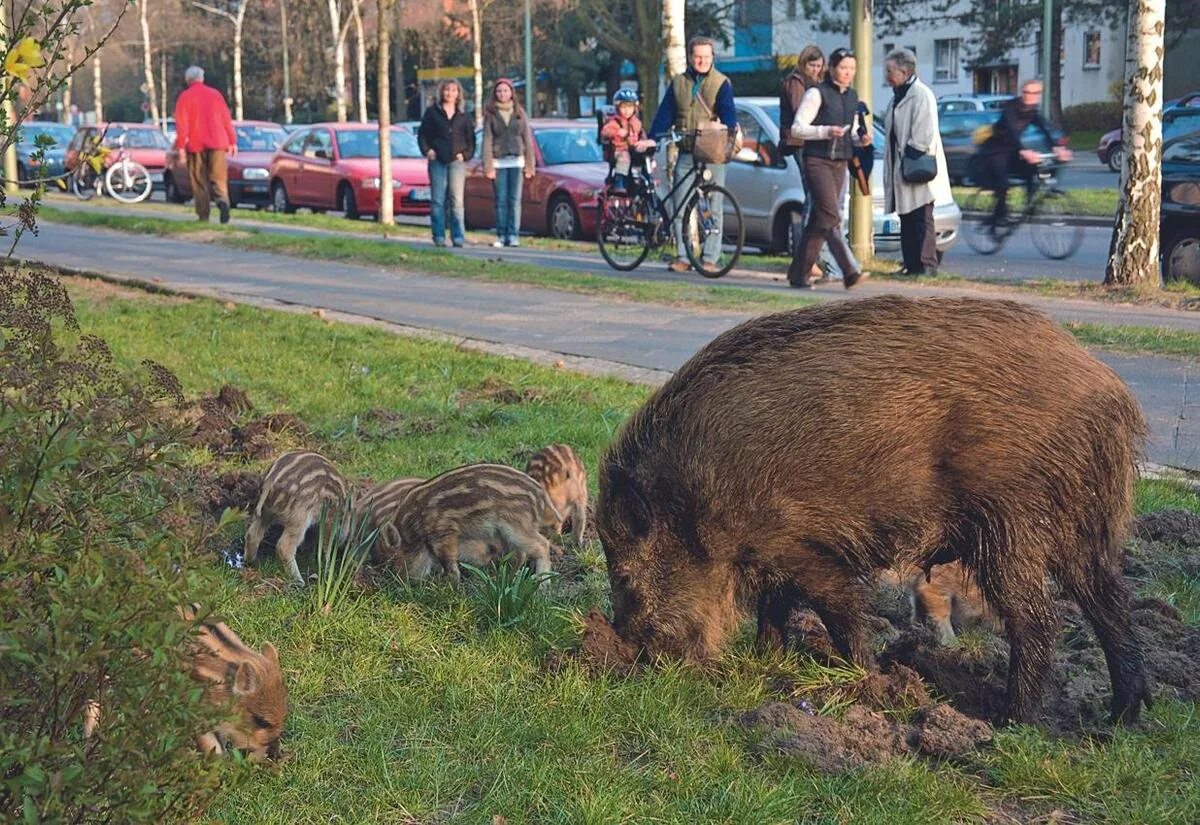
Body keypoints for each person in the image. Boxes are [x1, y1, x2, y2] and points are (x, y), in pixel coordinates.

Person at [646, 36, 737, 274]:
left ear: (713, 57)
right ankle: (683, 256)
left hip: (712, 152)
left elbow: (730, 118)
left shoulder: (721, 83)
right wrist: (652, 137)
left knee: (713, 205)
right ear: (690, 57)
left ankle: (710, 257)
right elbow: (665, 114)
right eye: (698, 57)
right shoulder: (679, 83)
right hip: (686, 151)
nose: (702, 61)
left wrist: (724, 127)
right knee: (680, 205)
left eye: (707, 57)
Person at [788, 47, 871, 289]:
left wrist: (861, 139)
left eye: (852, 69)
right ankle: (849, 270)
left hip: (840, 162)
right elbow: (797, 128)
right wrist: (825, 131)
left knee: (819, 220)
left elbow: (852, 131)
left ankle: (798, 274)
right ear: (832, 69)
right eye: (843, 68)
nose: (848, 73)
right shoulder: (816, 93)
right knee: (832, 216)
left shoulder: (853, 96)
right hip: (817, 161)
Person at [882, 48, 952, 277]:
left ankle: (927, 265)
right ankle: (911, 264)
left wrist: (910, 157)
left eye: (890, 70)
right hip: (903, 166)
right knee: (907, 217)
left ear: (904, 71)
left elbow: (924, 132)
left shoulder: (921, 94)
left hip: (917, 166)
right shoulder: (898, 95)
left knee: (922, 216)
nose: (886, 75)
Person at [978, 78, 1072, 229]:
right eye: (1028, 92)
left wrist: (1056, 148)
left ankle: (1028, 207)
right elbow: (1010, 131)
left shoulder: (1032, 112)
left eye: (1036, 93)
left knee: (1032, 171)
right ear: (1022, 93)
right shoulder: (1011, 107)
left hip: (1012, 151)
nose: (1032, 96)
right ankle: (998, 216)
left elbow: (1044, 129)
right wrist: (1024, 150)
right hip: (995, 150)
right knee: (1003, 184)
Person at [779, 44, 826, 283]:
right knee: (812, 197)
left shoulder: (816, 84)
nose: (816, 70)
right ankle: (806, 257)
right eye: (812, 65)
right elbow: (801, 116)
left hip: (813, 144)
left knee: (816, 198)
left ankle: (811, 257)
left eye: (819, 66)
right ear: (803, 64)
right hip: (801, 144)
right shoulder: (796, 83)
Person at [173, 65, 236, 224]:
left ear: (188, 80)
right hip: (218, 143)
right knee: (218, 177)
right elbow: (226, 119)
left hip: (196, 144)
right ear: (202, 78)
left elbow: (182, 124)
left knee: (199, 180)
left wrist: (180, 146)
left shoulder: (185, 97)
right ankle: (222, 200)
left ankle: (203, 216)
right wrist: (232, 141)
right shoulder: (216, 95)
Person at [418, 79, 475, 248]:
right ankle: (439, 236)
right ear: (441, 92)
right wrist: (427, 150)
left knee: (456, 200)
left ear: (459, 94)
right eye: (447, 90)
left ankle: (458, 237)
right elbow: (422, 136)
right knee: (437, 200)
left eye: (454, 90)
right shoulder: (432, 113)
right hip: (437, 161)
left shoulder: (464, 116)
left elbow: (471, 140)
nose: (450, 93)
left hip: (456, 162)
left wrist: (465, 155)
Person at [481, 78, 535, 248]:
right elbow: (487, 140)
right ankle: (501, 233)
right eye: (499, 91)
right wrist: (488, 165)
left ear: (511, 93)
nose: (502, 94)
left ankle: (513, 234)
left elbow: (527, 138)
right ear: (495, 94)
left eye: (505, 91)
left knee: (515, 200)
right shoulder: (490, 114)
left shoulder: (519, 112)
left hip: (517, 161)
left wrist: (529, 165)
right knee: (501, 200)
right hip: (499, 162)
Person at [600, 88, 646, 194]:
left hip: (633, 149)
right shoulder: (614, 121)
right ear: (617, 107)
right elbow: (605, 131)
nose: (627, 111)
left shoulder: (636, 122)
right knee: (625, 156)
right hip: (618, 150)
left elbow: (641, 135)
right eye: (623, 107)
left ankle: (646, 179)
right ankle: (619, 182)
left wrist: (646, 143)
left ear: (635, 108)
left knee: (645, 157)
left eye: (630, 107)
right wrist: (617, 132)